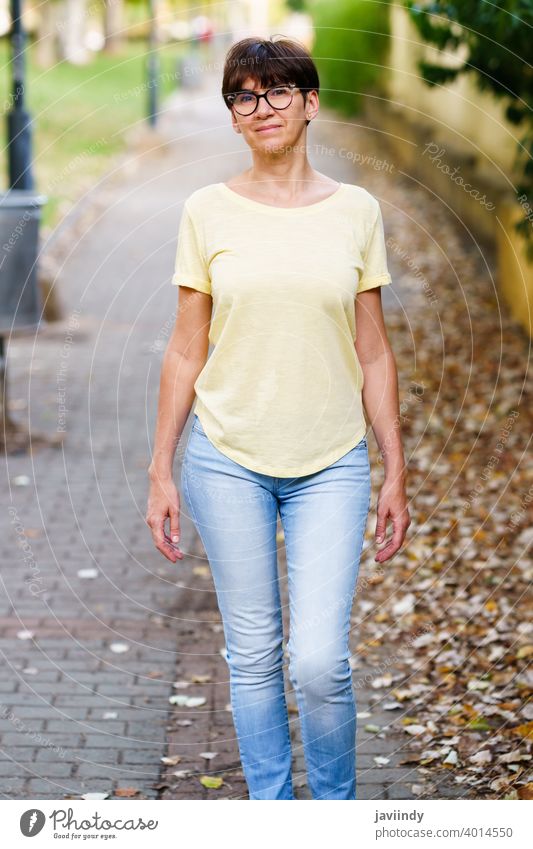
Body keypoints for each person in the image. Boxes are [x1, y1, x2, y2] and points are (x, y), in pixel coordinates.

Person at [146, 35, 411, 800]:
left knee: (318, 660)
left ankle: (331, 810)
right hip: (226, 458)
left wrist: (394, 467)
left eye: (276, 92)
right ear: (231, 115)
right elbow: (184, 350)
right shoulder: (206, 211)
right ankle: (273, 810)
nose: (259, 108)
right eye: (243, 95)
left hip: (331, 460)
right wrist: (160, 468)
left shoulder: (356, 212)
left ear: (309, 104)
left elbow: (372, 351)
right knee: (254, 654)